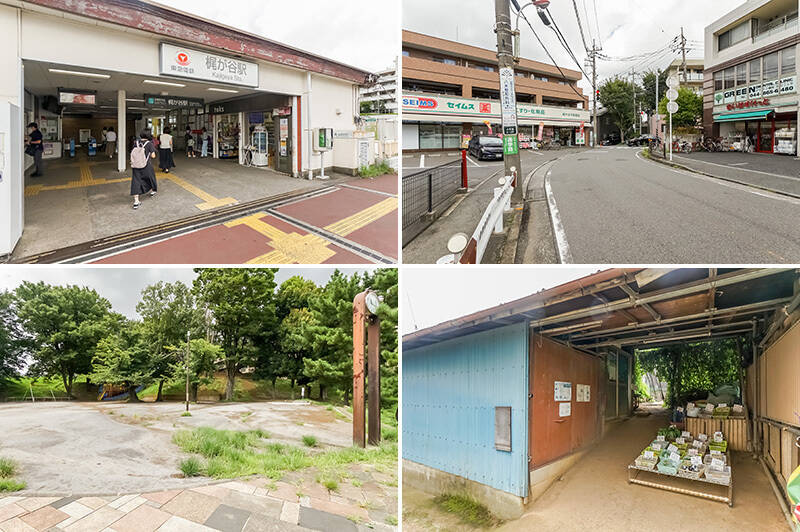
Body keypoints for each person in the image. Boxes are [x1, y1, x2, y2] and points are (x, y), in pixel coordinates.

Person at [130, 130, 157, 210]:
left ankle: (136, 201)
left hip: (136, 165)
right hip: (146, 165)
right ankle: (153, 190)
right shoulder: (149, 144)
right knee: (150, 177)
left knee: (136, 181)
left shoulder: (136, 143)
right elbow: (153, 156)